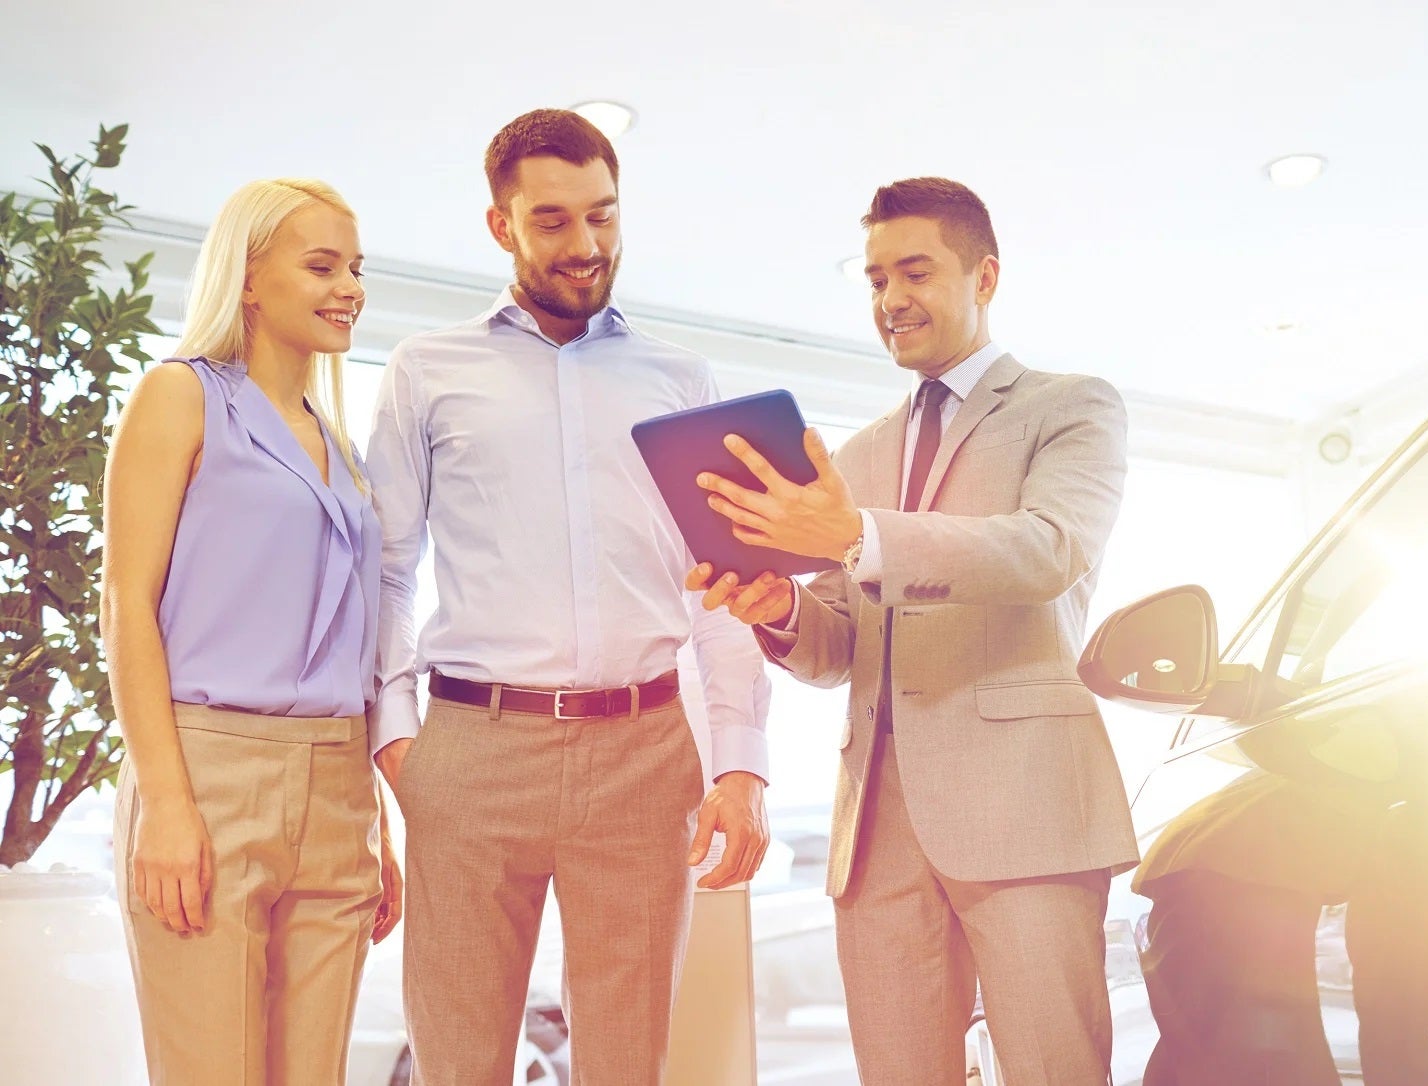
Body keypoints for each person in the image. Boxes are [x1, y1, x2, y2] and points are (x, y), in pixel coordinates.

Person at [689, 177, 1136, 1083]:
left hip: (1025, 809)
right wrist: (782, 612)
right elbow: (841, 648)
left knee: (1053, 1069)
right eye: (876, 279)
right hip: (877, 826)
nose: (891, 298)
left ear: (985, 276)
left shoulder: (1072, 406)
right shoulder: (856, 456)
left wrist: (857, 534)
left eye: (915, 272)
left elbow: (1048, 551)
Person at [365, 107, 772, 1083]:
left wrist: (740, 766)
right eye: (552, 220)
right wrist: (395, 738)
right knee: (459, 1059)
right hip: (470, 751)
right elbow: (386, 565)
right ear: (500, 224)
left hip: (644, 758)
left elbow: (722, 589)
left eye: (603, 214)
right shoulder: (426, 370)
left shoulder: (680, 378)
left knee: (628, 1063)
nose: (585, 244)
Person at [102, 178, 401, 1085]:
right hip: (207, 773)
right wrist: (166, 804)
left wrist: (376, 820)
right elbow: (126, 605)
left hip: (339, 783)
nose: (349, 288)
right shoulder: (180, 396)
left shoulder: (340, 446)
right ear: (247, 277)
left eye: (356, 269)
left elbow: (356, 640)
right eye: (322, 266)